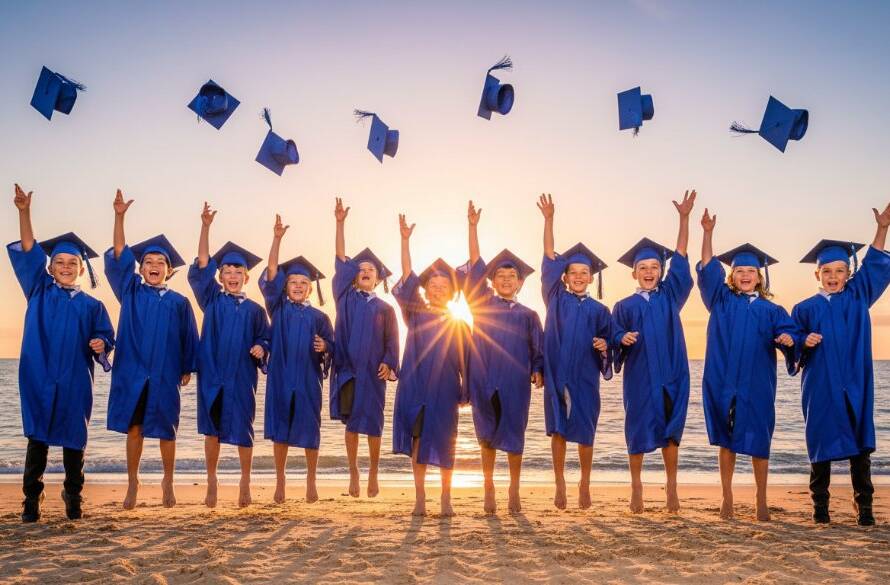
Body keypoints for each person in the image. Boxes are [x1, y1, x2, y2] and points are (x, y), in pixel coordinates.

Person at [8, 184, 115, 522]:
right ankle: (31, 499)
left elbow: (105, 336)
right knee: (37, 440)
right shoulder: (38, 290)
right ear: (50, 267)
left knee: (73, 443)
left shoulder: (93, 305)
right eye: (59, 262)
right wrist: (24, 212)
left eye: (73, 262)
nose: (66, 266)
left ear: (82, 268)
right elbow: (28, 251)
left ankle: (73, 494)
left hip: (74, 379)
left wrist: (101, 344)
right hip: (39, 375)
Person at [792, 203, 890, 526]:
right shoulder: (804, 308)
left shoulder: (858, 295)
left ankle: (865, 509)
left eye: (840, 271)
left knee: (860, 450)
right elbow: (792, 344)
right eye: (827, 271)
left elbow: (874, 264)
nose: (833, 276)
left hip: (855, 383)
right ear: (816, 273)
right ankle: (820, 507)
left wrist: (882, 228)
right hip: (820, 387)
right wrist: (802, 341)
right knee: (820, 449)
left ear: (849, 273)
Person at [697, 208, 798, 521]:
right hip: (723, 379)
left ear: (760, 276)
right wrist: (708, 233)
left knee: (758, 440)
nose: (744, 275)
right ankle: (727, 498)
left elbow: (789, 331)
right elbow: (706, 269)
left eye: (750, 272)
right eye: (739, 271)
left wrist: (788, 341)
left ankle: (761, 500)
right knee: (726, 440)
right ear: (731, 276)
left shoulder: (773, 310)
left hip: (757, 383)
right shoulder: (720, 300)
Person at [104, 190, 199, 509]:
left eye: (161, 262)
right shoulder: (130, 290)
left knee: (166, 430)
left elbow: (189, 337)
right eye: (148, 261)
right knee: (135, 428)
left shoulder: (179, 302)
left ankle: (168, 482)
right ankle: (133, 483)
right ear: (140, 268)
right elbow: (118, 256)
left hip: (164, 373)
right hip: (132, 371)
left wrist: (186, 367)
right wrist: (119, 217)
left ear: (169, 270)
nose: (154, 265)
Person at [611, 191, 696, 513]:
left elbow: (682, 258)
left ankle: (672, 488)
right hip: (640, 377)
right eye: (642, 267)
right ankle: (636, 488)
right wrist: (622, 338)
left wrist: (684, 219)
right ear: (633, 272)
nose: (649, 271)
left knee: (670, 431)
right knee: (637, 429)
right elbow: (613, 333)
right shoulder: (624, 305)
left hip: (672, 373)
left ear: (661, 270)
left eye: (654, 266)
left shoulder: (670, 296)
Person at [460, 200, 544, 514]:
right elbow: (475, 265)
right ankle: (489, 487)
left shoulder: (529, 315)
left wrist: (538, 369)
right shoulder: (481, 303)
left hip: (515, 382)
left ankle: (514, 490)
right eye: (501, 276)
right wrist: (472, 227)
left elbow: (539, 348)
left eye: (512, 277)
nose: (507, 280)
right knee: (486, 435)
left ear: (521, 282)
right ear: (493, 282)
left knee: (514, 432)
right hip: (485, 378)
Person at [188, 202, 270, 508]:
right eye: (227, 270)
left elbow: (266, 338)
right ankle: (212, 480)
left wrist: (262, 347)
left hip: (242, 376)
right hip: (212, 375)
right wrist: (206, 227)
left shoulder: (255, 310)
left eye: (239, 271)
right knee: (212, 429)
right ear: (220, 275)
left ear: (247, 278)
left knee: (244, 430)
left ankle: (245, 481)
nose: (233, 275)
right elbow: (200, 268)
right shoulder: (210, 299)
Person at [537, 193, 613, 510]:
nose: (579, 277)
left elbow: (609, 341)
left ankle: (584, 482)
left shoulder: (600, 309)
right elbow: (550, 257)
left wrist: (604, 346)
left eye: (585, 274)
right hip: (558, 372)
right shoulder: (555, 298)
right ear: (565, 278)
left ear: (591, 278)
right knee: (558, 428)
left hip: (585, 375)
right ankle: (560, 484)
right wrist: (549, 219)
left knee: (585, 430)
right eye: (573, 273)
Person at [391, 213, 470, 516]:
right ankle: (420, 498)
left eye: (443, 286)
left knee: (445, 442)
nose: (437, 289)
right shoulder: (415, 314)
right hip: (415, 385)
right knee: (418, 440)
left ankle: (446, 498)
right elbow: (408, 279)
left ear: (452, 292)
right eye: (433, 285)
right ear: (426, 291)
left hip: (446, 390)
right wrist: (405, 241)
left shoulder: (458, 322)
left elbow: (467, 361)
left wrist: (465, 391)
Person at [260, 214, 335, 504]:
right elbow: (270, 273)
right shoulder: (277, 308)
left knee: (309, 429)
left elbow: (333, 347)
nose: (300, 286)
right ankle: (280, 482)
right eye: (294, 281)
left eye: (304, 282)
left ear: (310, 287)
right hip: (280, 377)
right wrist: (277, 239)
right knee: (281, 430)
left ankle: (311, 480)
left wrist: (324, 346)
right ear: (285, 285)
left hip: (307, 380)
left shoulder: (320, 317)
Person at [331, 198, 399, 498]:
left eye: (372, 269)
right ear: (354, 277)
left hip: (372, 373)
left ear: (378, 276)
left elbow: (393, 341)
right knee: (351, 424)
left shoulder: (386, 308)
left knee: (373, 424)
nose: (366, 271)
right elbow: (340, 258)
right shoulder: (344, 299)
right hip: (348, 371)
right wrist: (340, 223)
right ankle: (354, 471)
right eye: (361, 268)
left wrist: (390, 362)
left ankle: (372, 470)